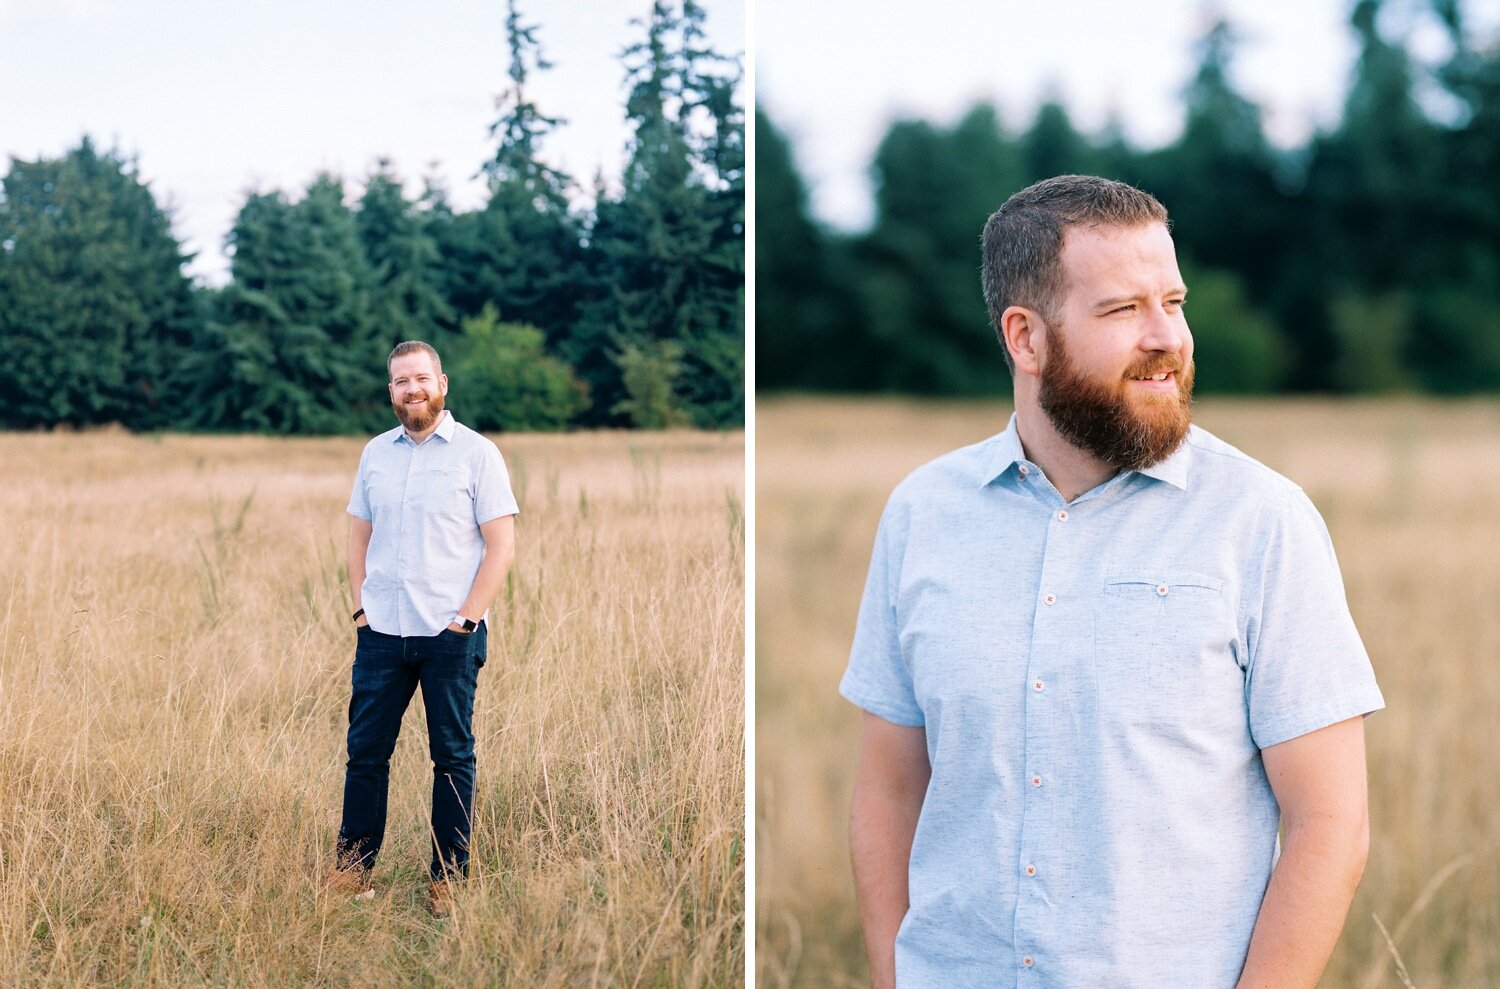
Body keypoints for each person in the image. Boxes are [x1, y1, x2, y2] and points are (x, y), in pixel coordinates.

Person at [841, 175, 1384, 988]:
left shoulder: (1261, 521)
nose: (1168, 335)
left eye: (1174, 300)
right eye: (1124, 310)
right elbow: (889, 792)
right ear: (1026, 339)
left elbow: (1331, 822)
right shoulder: (923, 514)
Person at [328, 340, 518, 918]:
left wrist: (466, 620)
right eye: (401, 381)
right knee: (365, 754)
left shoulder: (477, 454)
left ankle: (449, 880)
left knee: (452, 756)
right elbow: (359, 535)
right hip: (382, 629)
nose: (412, 389)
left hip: (449, 633)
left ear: (442, 383)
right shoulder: (375, 455)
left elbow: (501, 545)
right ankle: (353, 873)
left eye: (421, 378)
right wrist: (361, 611)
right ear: (391, 391)